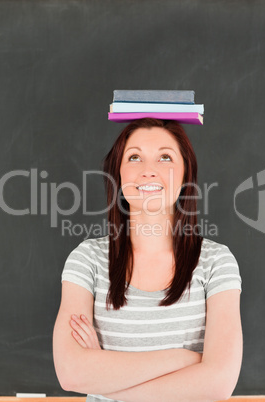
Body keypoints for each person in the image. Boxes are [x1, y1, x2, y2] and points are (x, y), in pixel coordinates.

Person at [53, 118, 243, 402]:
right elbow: (71, 373)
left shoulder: (216, 263)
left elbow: (218, 384)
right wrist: (185, 359)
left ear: (185, 175)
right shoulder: (87, 260)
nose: (149, 170)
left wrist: (103, 378)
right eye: (134, 157)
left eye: (165, 157)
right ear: (118, 174)